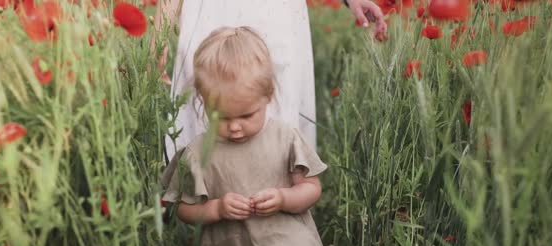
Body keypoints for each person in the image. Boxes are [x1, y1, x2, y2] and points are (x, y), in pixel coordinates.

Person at [162, 26, 364, 246]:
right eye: (222, 117)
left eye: (246, 114)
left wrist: (285, 198)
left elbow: (312, 189)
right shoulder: (198, 153)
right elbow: (184, 209)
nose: (236, 126)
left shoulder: (285, 138)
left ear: (268, 96)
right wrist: (215, 209)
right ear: (203, 102)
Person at [152, 0, 388, 161]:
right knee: (208, 101)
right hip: (213, 12)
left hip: (275, 14)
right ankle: (203, 218)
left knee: (275, 112)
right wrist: (160, 30)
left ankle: (278, 216)